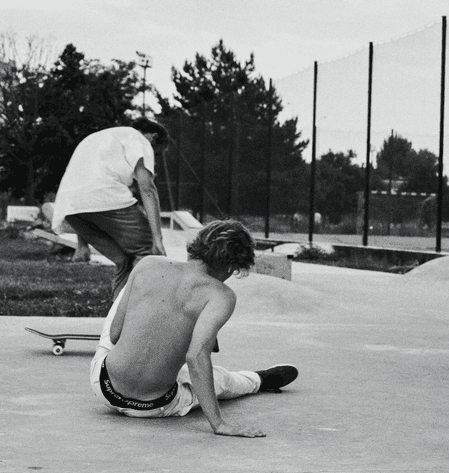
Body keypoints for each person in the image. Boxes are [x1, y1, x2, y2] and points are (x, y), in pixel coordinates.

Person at [90, 220, 299, 438]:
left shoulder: (148, 264)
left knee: (134, 288)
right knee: (219, 379)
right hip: (153, 407)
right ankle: (259, 380)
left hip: (103, 386)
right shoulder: (220, 296)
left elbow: (114, 334)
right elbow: (197, 357)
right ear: (232, 267)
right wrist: (219, 424)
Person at [52, 118, 169, 299]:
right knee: (147, 252)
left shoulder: (98, 138)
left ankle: (115, 319)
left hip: (70, 207)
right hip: (105, 197)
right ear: (154, 137)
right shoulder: (139, 139)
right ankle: (138, 314)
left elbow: (83, 192)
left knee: (123, 260)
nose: (154, 159)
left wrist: (82, 245)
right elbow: (147, 189)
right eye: (157, 154)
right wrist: (157, 239)